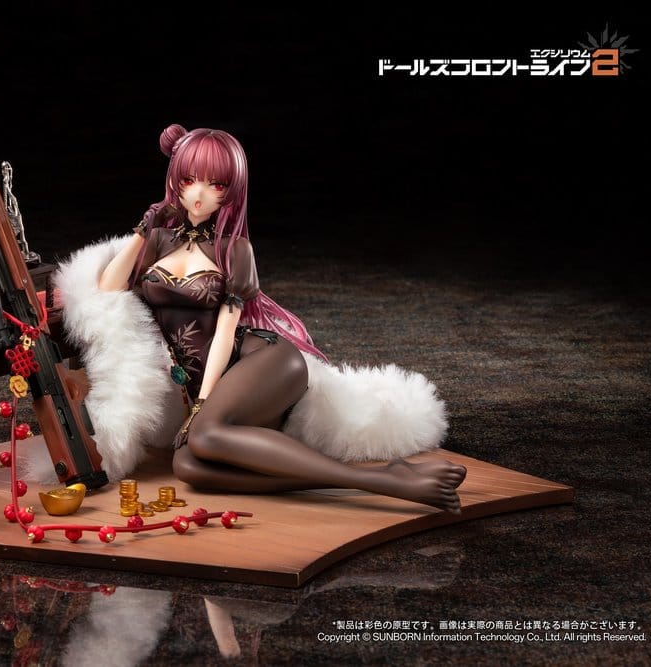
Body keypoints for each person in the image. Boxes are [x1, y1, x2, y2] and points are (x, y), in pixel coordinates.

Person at [96, 124, 465, 513]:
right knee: (188, 466)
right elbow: (108, 288)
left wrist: (201, 404)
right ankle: (373, 478)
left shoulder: (234, 249)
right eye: (188, 180)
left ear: (231, 190)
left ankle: (385, 482)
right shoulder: (158, 240)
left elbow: (225, 333)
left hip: (264, 362)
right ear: (175, 181)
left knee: (203, 438)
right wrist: (145, 226)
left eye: (215, 184)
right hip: (224, 382)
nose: (199, 194)